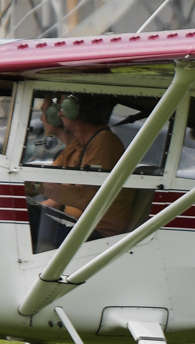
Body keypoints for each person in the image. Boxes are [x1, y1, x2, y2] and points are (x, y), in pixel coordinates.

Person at [38, 95, 134, 238]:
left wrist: (35, 186)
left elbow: (85, 197)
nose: (59, 114)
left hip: (95, 233)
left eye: (63, 108)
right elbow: (46, 177)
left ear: (74, 111)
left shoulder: (104, 143)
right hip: (76, 225)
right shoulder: (81, 144)